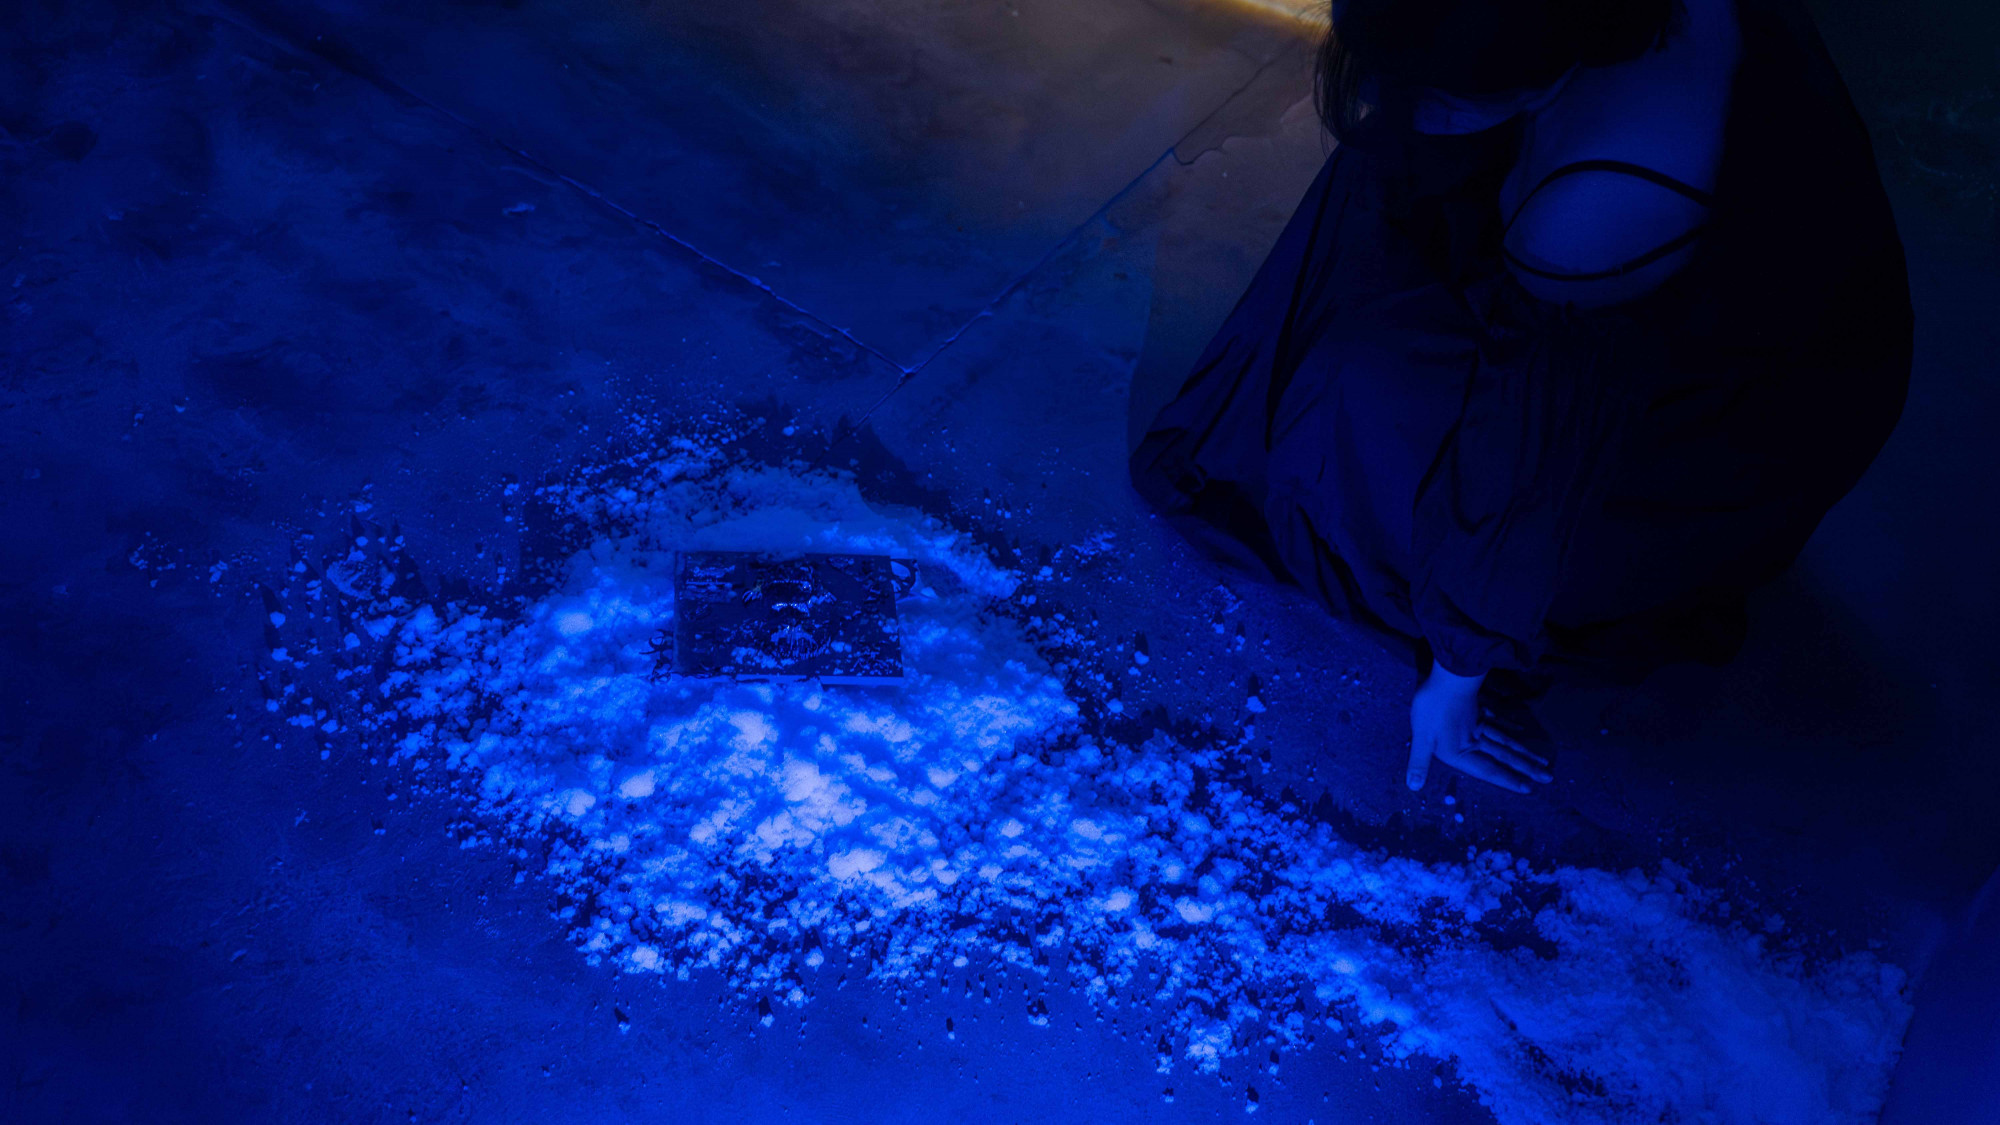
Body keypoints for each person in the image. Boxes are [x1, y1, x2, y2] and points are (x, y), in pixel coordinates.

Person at [1128, 0, 1912, 794]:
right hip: (1622, 249)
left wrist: (1455, 680)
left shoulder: (1608, 187)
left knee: (1366, 408)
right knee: (1376, 236)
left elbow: (1523, 469)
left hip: (1726, 407)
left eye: (1451, 95)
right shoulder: (1539, 42)